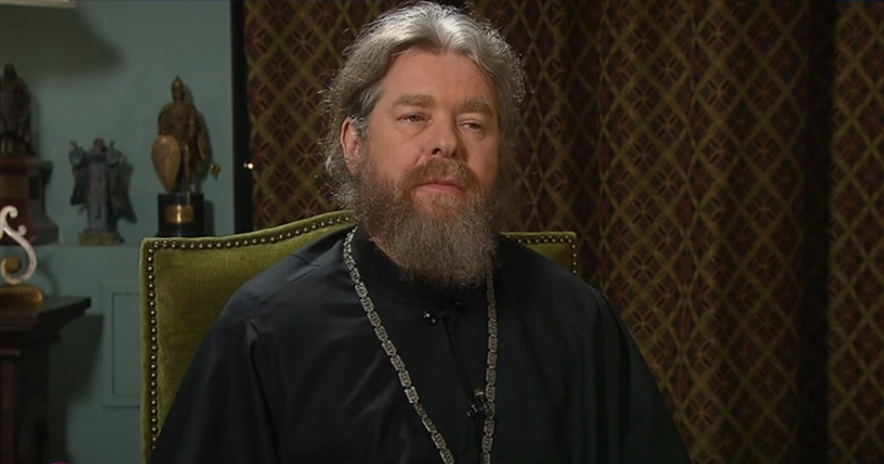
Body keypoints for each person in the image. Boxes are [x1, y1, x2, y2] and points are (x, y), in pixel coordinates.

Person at [149, 2, 692, 463]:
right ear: (354, 145)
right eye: (414, 117)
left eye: (473, 123)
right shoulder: (264, 331)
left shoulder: (579, 320)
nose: (447, 143)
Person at [154, 76, 209, 194]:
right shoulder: (167, 109)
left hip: (186, 140)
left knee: (187, 161)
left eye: (179, 90)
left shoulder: (189, 108)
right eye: (175, 90)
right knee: (173, 165)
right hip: (172, 143)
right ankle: (174, 185)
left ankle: (188, 186)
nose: (177, 93)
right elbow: (163, 127)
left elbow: (193, 124)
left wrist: (191, 135)